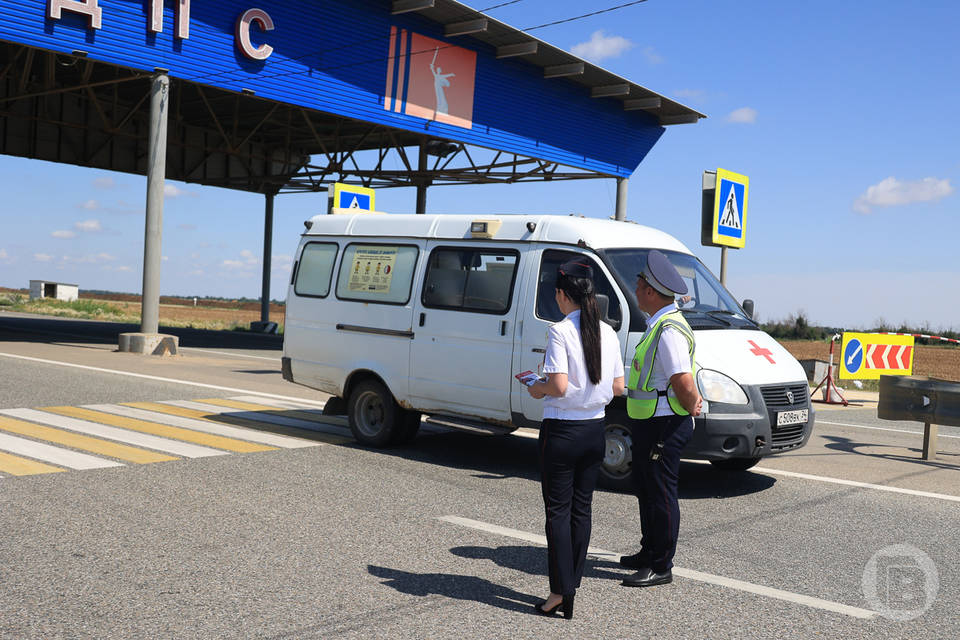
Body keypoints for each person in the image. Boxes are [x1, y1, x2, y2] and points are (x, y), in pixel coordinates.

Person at [525, 259, 624, 618]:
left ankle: (560, 592)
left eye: (556, 293)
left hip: (562, 431)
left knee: (557, 513)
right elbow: (617, 387)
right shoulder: (608, 332)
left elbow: (558, 385)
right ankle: (572, 584)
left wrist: (536, 387)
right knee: (582, 510)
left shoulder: (559, 331)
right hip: (595, 431)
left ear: (564, 295)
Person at [620, 250, 702, 588]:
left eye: (639, 285)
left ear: (651, 292)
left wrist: (692, 403)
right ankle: (648, 550)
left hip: (664, 422)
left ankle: (661, 564)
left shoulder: (668, 330)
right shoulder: (658, 325)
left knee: (660, 493)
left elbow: (682, 380)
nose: (635, 289)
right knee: (646, 488)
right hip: (651, 420)